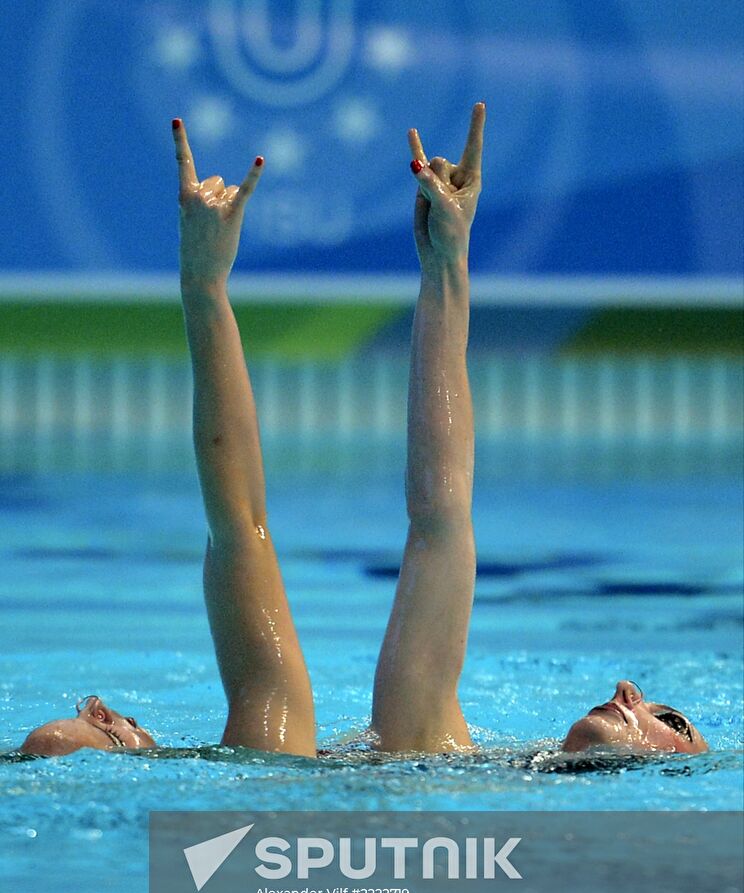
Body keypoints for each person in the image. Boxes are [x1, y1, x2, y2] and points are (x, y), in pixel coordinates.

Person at [17, 105, 708, 759]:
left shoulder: (326, 742)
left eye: (668, 718)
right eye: (117, 726)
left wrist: (204, 288)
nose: (626, 692)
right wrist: (447, 267)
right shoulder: (423, 742)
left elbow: (250, 525)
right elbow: (431, 514)